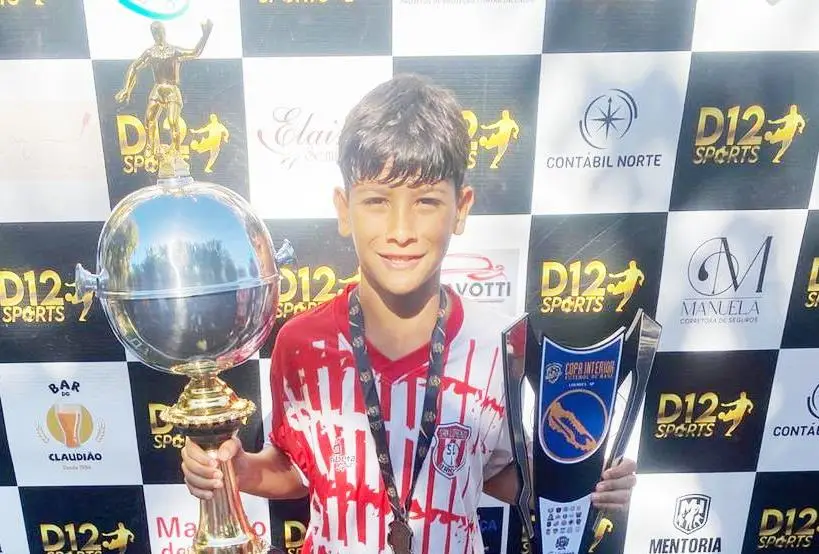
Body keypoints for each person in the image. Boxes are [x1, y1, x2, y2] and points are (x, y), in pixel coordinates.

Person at [181, 74, 637, 554]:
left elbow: (497, 471)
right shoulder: (300, 343)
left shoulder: (501, 344)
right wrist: (238, 470)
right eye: (377, 201)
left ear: (461, 209)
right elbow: (298, 469)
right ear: (344, 209)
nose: (401, 230)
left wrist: (581, 484)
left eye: (426, 202)